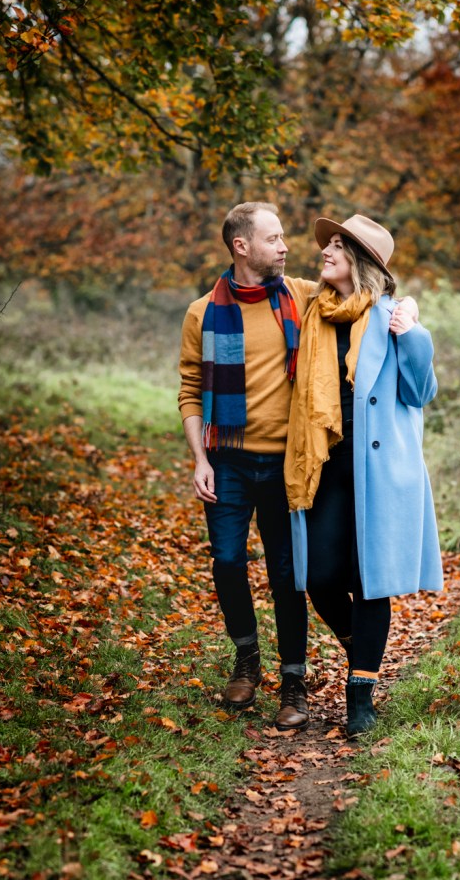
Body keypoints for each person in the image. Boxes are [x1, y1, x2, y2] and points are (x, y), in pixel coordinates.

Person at [284, 214, 443, 738]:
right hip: (326, 464)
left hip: (380, 469)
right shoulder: (314, 309)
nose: (324, 252)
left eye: (336, 246)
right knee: (322, 578)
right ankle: (362, 648)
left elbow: (420, 393)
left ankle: (361, 696)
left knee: (370, 582)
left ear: (361, 261)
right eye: (327, 245)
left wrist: (414, 333)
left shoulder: (393, 316)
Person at [178, 202, 314, 730]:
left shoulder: (300, 295)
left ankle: (294, 681)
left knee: (287, 575)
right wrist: (200, 459)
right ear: (242, 246)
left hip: (286, 464)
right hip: (228, 462)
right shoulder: (201, 313)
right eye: (274, 238)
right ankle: (247, 659)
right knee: (228, 562)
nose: (284, 246)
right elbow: (190, 390)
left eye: (283, 237)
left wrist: (408, 308)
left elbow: (364, 295)